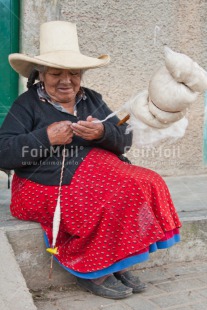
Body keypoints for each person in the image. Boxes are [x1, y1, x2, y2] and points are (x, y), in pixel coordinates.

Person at [0, 20, 181, 300]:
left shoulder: (91, 99)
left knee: (146, 181)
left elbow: (124, 136)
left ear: (81, 75)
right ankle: (95, 270)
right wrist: (44, 137)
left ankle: (117, 260)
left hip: (95, 171)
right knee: (107, 194)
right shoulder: (26, 105)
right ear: (41, 74)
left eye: (73, 73)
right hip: (44, 184)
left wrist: (102, 132)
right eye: (56, 73)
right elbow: (4, 152)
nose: (65, 81)